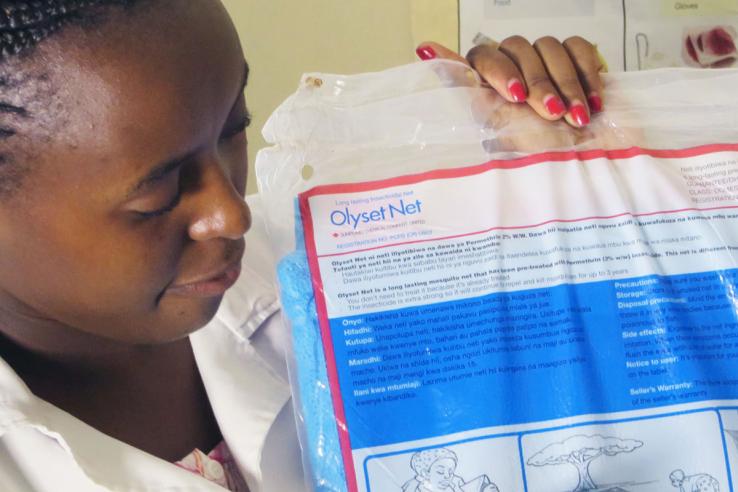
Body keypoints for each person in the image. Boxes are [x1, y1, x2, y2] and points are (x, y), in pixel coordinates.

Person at [0, 1, 604, 490]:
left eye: (232, 129)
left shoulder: (329, 249)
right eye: (158, 192)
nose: (231, 213)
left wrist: (555, 174)